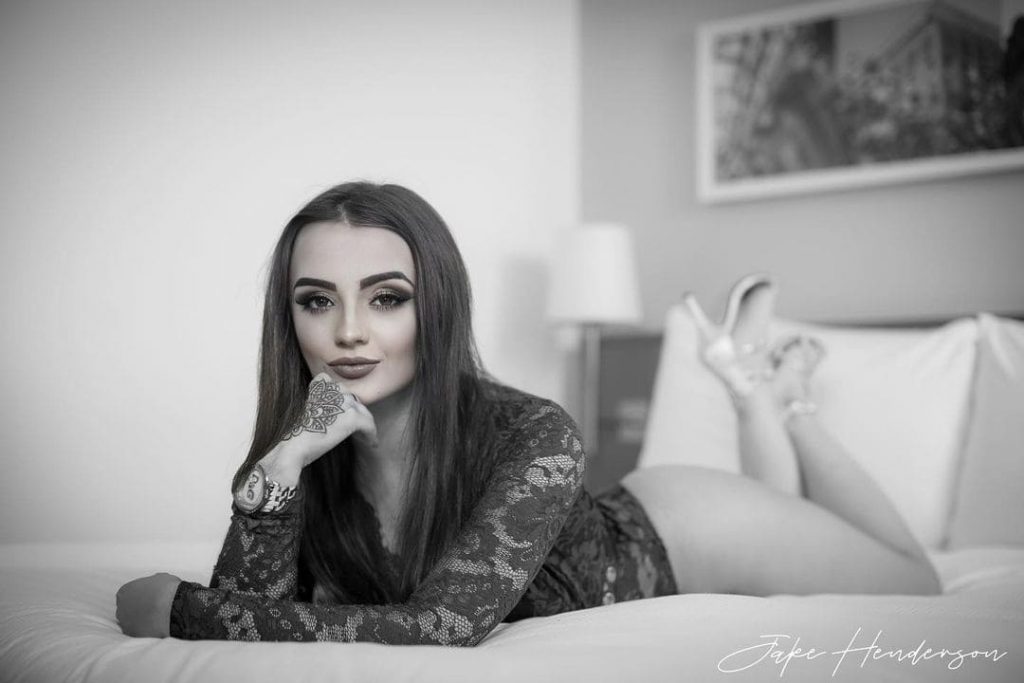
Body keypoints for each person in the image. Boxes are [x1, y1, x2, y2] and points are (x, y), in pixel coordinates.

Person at [115, 182, 940, 645]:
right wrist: (283, 462)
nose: (350, 331)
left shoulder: (538, 432)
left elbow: (441, 626)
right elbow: (246, 625)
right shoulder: (305, 455)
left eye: (387, 297)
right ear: (288, 317)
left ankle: (782, 397)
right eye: (317, 300)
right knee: (799, 507)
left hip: (686, 531)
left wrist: (180, 610)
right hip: (655, 525)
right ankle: (754, 380)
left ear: (437, 306)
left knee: (915, 578)